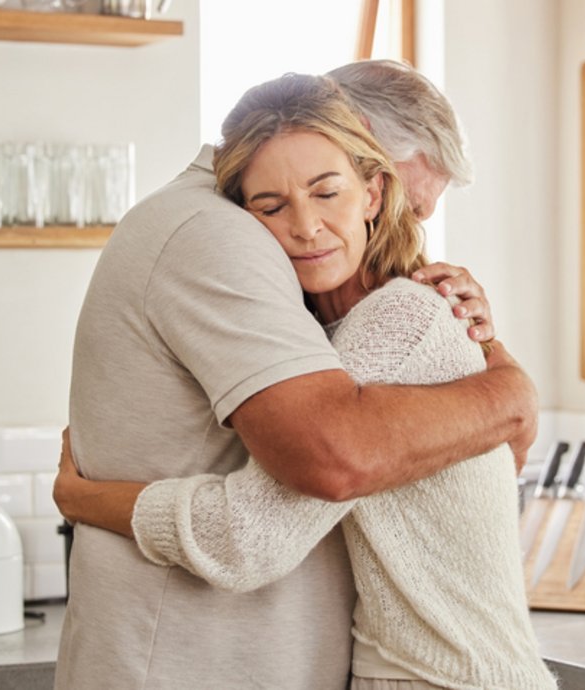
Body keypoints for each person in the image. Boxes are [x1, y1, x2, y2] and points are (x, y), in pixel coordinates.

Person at [56, 73, 555, 690]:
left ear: (370, 190)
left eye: (329, 193)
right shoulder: (321, 313)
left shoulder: (399, 317)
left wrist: (84, 499)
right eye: (273, 205)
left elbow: (249, 533)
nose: (308, 227)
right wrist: (506, 386)